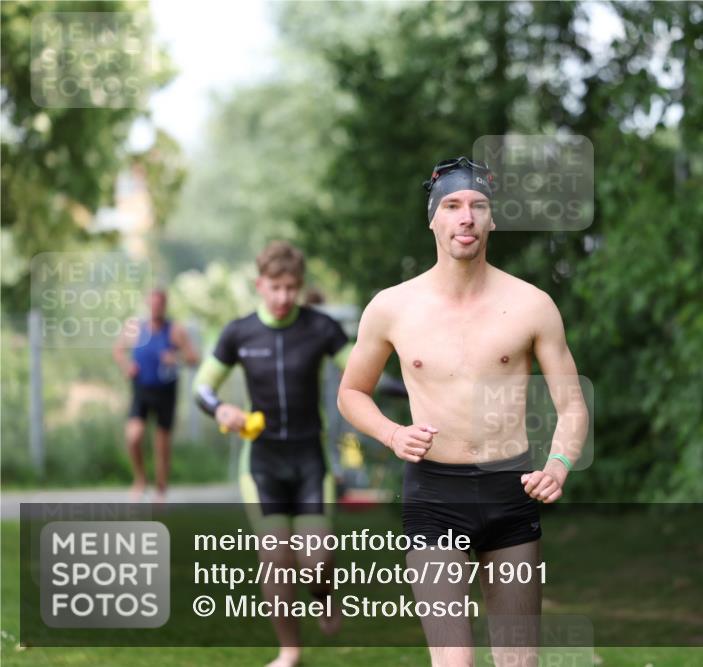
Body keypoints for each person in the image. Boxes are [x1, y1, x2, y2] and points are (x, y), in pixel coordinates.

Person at [337, 156, 589, 667]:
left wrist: (559, 465)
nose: (466, 217)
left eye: (478, 206)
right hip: (434, 496)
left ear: (493, 219)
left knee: (519, 662)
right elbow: (351, 394)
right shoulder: (391, 307)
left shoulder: (531, 304)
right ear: (433, 218)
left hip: (509, 491)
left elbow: (572, 405)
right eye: (452, 205)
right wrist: (391, 435)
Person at [192, 241, 350, 667]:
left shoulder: (320, 329)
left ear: (300, 287)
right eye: (275, 287)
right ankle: (290, 650)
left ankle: (323, 593)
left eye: (291, 288)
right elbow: (202, 387)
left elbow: (362, 372)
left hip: (309, 460)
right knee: (276, 560)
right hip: (261, 463)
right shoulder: (239, 333)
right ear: (259, 284)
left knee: (315, 560)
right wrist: (220, 408)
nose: (283, 297)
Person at [113, 287, 200, 503]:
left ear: (164, 305)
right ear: (147, 304)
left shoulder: (175, 330)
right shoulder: (135, 328)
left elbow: (194, 358)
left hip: (165, 392)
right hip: (141, 389)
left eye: (159, 304)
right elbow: (118, 350)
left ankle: (160, 489)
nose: (155, 308)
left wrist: (176, 358)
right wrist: (127, 366)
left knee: (162, 445)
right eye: (152, 304)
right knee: (133, 437)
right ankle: (140, 479)